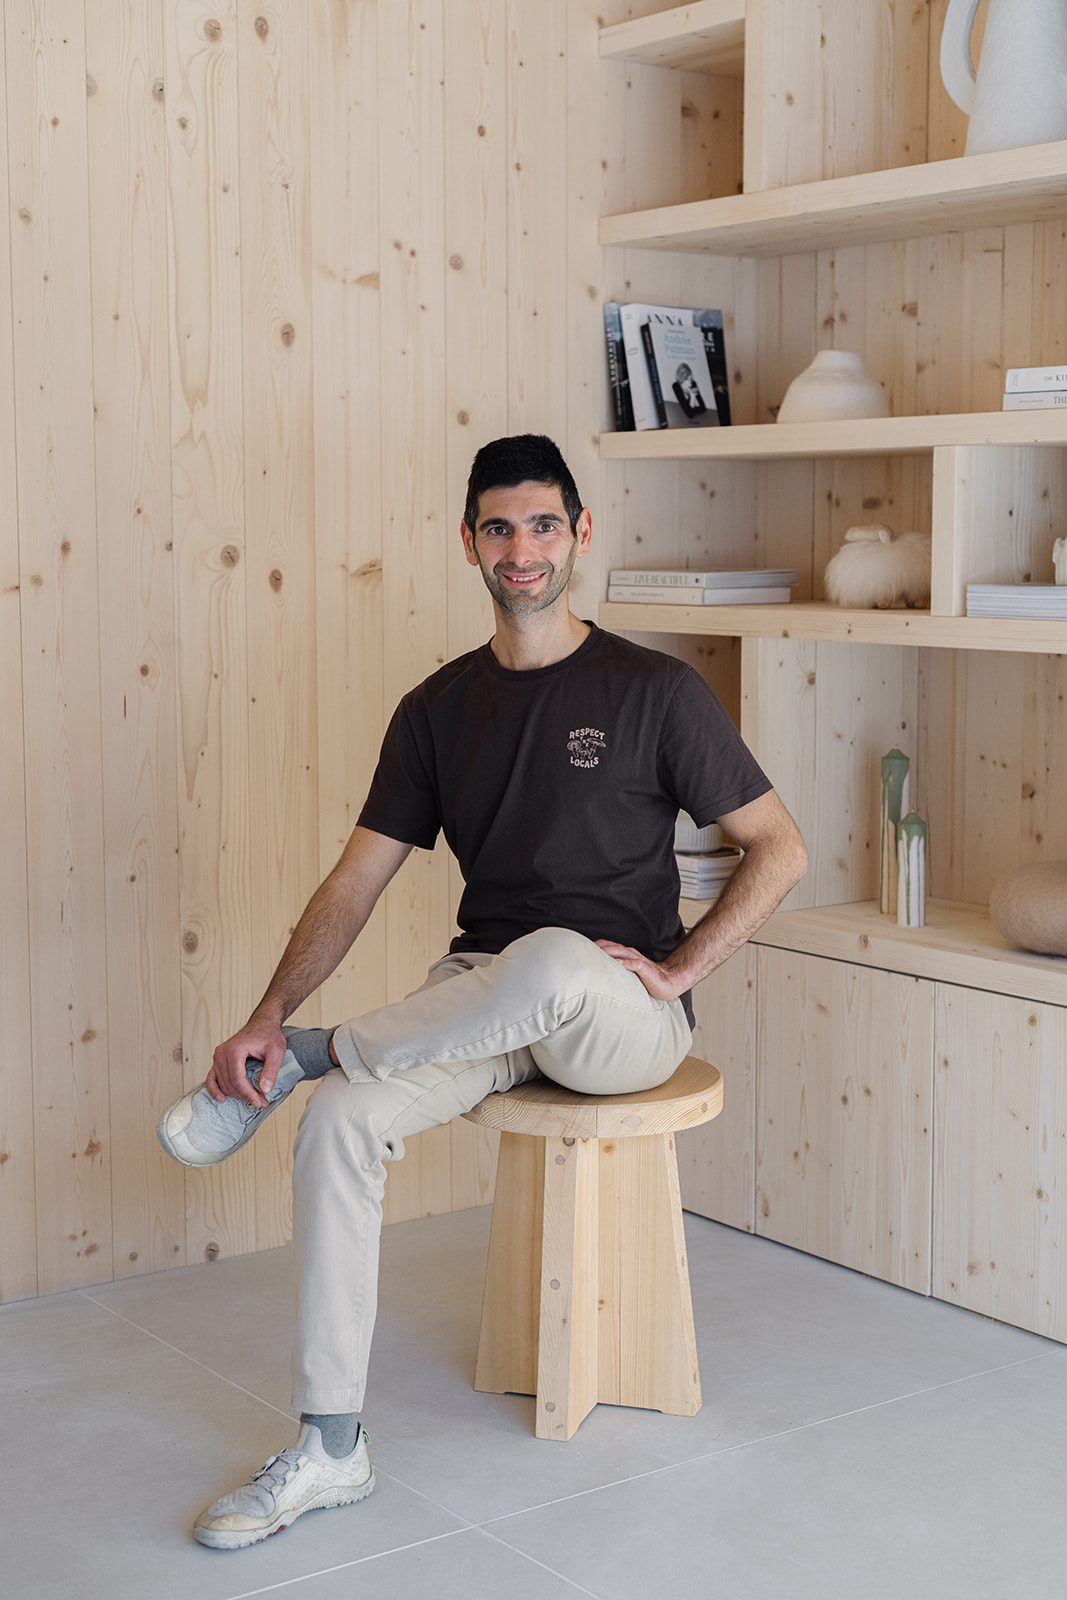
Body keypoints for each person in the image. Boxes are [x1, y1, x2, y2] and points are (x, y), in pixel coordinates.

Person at [157, 433, 807, 1549]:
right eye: (498, 528)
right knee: (339, 1127)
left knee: (555, 956)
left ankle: (319, 1050)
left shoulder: (654, 690)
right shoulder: (436, 709)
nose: (521, 548)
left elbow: (778, 847)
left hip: (614, 1007)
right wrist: (265, 1011)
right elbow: (355, 881)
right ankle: (328, 1446)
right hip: (484, 995)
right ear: (468, 543)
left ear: (579, 535)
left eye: (542, 524)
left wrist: (683, 967)